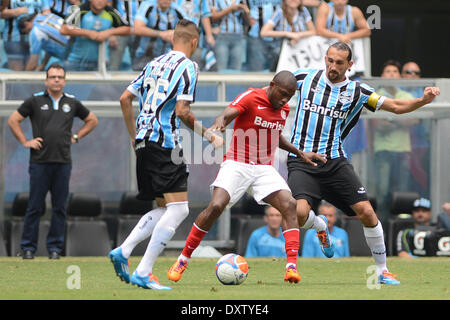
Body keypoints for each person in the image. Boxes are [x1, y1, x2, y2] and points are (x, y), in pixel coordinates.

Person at [287, 41, 440, 285]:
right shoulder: (304, 77)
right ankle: (320, 226)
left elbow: (396, 106)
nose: (332, 66)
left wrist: (422, 101)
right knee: (300, 212)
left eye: (339, 62)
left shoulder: (358, 91)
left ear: (350, 65)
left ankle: (382, 271)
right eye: (330, 60)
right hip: (302, 160)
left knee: (367, 212)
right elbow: (272, 90)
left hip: (334, 160)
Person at [167, 70, 327, 284]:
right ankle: (183, 259)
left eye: (289, 96)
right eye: (282, 93)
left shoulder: (284, 108)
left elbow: (274, 134)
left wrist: (299, 152)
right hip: (237, 163)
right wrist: (221, 123)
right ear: (272, 85)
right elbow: (229, 112)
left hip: (264, 168)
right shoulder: (252, 96)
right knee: (216, 206)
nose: (285, 99)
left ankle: (291, 267)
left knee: (289, 205)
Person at [109, 19, 221, 291]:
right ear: (194, 42)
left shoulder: (153, 64)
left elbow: (125, 98)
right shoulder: (188, 67)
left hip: (144, 143)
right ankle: (144, 271)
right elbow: (182, 111)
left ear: (172, 39)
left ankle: (124, 251)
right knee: (180, 209)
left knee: (164, 207)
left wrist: (134, 134)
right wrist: (209, 136)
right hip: (165, 143)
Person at [7, 64, 98, 260]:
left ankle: (55, 249)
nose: (56, 80)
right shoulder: (35, 100)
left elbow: (92, 120)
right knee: (35, 206)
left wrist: (76, 136)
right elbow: (13, 120)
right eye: (53, 77)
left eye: (60, 77)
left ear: (64, 80)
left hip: (63, 162)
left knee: (59, 207)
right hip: (39, 162)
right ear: (46, 80)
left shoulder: (72, 103)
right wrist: (25, 141)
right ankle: (28, 248)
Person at [371, 60, 418, 222]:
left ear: (399, 75)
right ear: (382, 76)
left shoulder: (407, 96)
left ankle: (400, 227)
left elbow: (414, 120)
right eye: (388, 71)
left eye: (394, 71)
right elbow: (378, 126)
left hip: (403, 151)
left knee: (402, 192)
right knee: (382, 192)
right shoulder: (375, 96)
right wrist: (401, 116)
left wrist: (390, 118)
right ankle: (382, 227)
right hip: (382, 151)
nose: (391, 74)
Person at [60, 0, 130, 71]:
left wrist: (109, 32)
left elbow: (127, 29)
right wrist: (88, 33)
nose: (100, 1)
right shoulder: (80, 9)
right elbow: (63, 29)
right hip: (75, 61)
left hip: (99, 62)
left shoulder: (110, 11)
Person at [132, 0, 187, 71]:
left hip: (167, 57)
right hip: (144, 56)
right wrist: (161, 34)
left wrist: (175, 33)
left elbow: (190, 29)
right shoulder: (148, 5)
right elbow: (137, 28)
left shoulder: (176, 9)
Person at [1, 0, 50, 70]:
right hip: (13, 39)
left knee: (32, 70)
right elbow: (1, 12)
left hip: (36, 38)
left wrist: (37, 17)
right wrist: (15, 12)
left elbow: (47, 13)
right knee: (16, 73)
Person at [209, 0, 251, 71]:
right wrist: (231, 8)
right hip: (222, 36)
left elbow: (248, 22)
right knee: (221, 69)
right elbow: (213, 18)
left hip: (238, 36)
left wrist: (246, 12)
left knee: (236, 70)